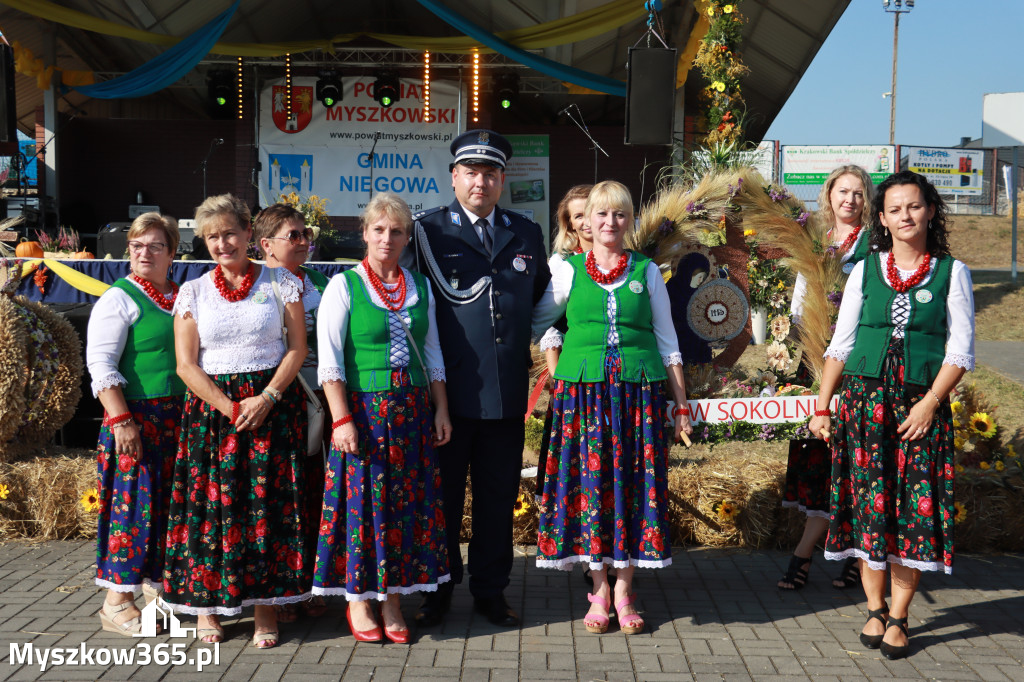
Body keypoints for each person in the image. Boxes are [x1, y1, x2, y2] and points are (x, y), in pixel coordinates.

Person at [809, 170, 975, 660]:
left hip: (918, 410)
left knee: (913, 511)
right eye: (895, 208)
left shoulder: (952, 271)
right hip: (864, 406)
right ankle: (875, 608)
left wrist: (929, 404)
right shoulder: (866, 269)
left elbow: (961, 352)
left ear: (930, 211)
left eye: (915, 206)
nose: (906, 215)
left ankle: (900, 617)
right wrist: (822, 406)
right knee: (869, 508)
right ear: (881, 218)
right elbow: (840, 344)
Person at [531, 180, 693, 635]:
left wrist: (680, 404)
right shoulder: (567, 271)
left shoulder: (646, 271)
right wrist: (555, 353)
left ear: (629, 221)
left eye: (619, 215)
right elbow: (538, 321)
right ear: (586, 221)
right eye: (600, 214)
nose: (609, 222)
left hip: (637, 395)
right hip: (582, 395)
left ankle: (624, 589)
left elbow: (667, 341)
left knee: (634, 484)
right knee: (590, 483)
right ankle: (598, 589)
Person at [404, 129, 552, 627]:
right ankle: (438, 592)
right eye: (470, 172)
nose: (480, 182)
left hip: (507, 396)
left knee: (496, 501)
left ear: (502, 179)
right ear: (454, 177)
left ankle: (491, 591)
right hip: (446, 396)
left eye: (490, 174)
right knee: (442, 501)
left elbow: (545, 306)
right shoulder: (427, 232)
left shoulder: (526, 232)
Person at [165, 194, 310, 649]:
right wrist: (229, 407)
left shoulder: (281, 282)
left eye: (229, 233)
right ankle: (209, 608)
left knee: (265, 507)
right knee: (211, 509)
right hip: (214, 414)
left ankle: (266, 607)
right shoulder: (193, 291)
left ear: (249, 234)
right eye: (211, 236)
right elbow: (186, 365)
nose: (222, 243)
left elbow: (297, 348)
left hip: (272, 408)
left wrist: (267, 396)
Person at [312, 192, 451, 643]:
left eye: (396, 231)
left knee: (403, 506)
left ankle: (393, 597)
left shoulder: (420, 287)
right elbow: (330, 362)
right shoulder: (344, 286)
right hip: (364, 414)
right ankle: (358, 597)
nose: (387, 238)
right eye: (378, 229)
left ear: (407, 237)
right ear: (365, 233)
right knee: (362, 505)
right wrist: (341, 420)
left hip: (411, 413)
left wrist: (441, 408)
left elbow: (432, 355)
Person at [86, 212, 184, 635]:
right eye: (137, 245)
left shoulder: (180, 296)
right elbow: (100, 363)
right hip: (135, 419)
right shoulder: (119, 298)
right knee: (132, 508)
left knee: (166, 507)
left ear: (173, 252)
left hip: (176, 419)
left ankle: (157, 592)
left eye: (155, 245)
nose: (144, 253)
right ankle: (115, 601)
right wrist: (121, 420)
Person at [779, 165, 874, 591]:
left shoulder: (875, 245)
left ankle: (821, 557)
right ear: (829, 195)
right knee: (822, 460)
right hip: (816, 358)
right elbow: (800, 298)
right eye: (843, 191)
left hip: (857, 361)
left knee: (855, 462)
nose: (850, 200)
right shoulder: (815, 241)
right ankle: (831, 553)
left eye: (858, 193)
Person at [253, 203, 329, 621]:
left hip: (320, 397)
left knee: (315, 492)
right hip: (277, 399)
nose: (303, 242)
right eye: (293, 235)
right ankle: (282, 588)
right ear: (266, 244)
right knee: (284, 496)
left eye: (306, 234)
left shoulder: (321, 282)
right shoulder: (256, 283)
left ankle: (311, 583)